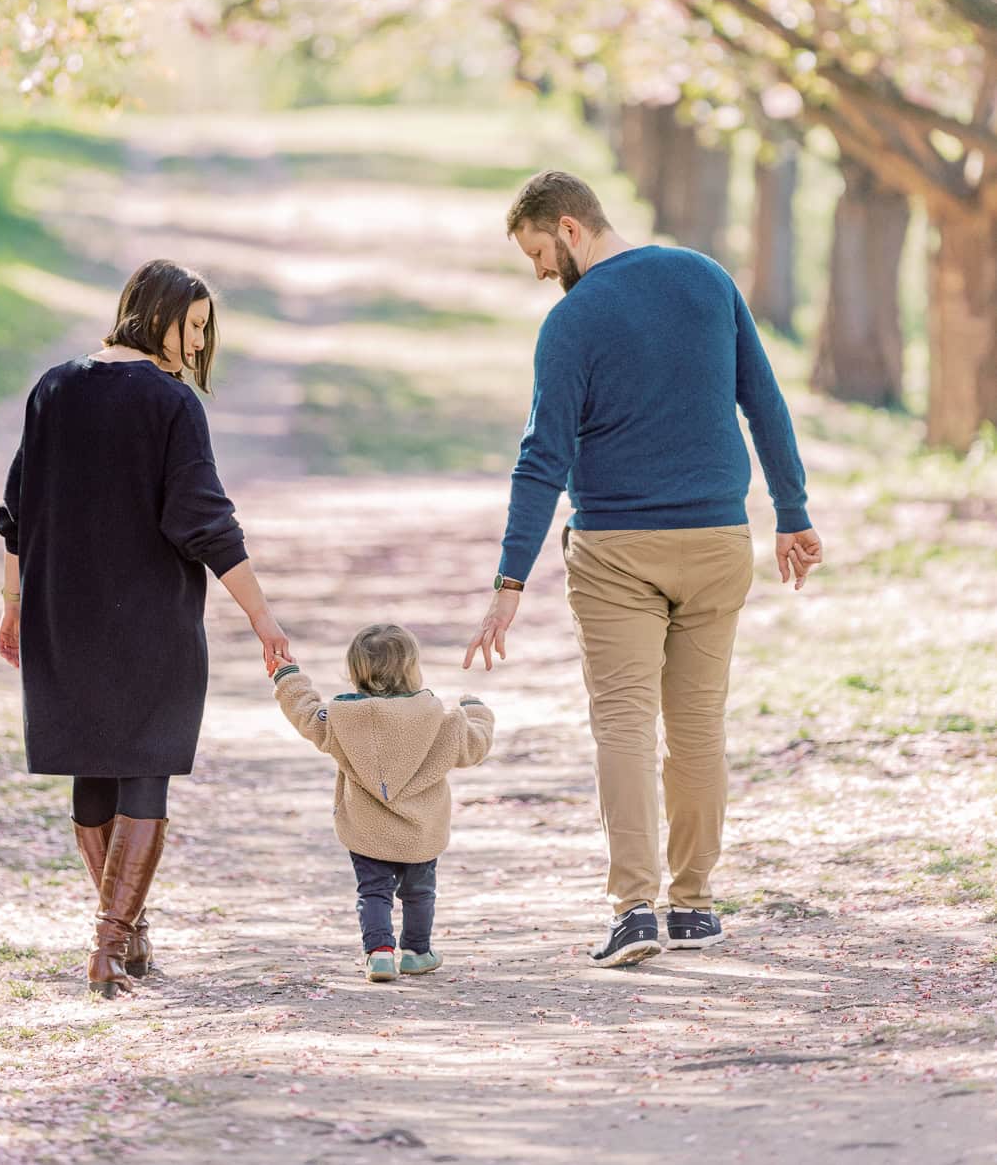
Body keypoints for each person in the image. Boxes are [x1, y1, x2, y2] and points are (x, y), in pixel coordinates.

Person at [464, 170, 823, 969]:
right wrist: (792, 512)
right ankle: (693, 904)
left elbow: (542, 457)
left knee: (624, 725)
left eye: (536, 252)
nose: (538, 272)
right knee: (698, 730)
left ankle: (634, 909)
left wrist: (509, 581)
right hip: (718, 539)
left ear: (568, 226)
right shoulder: (706, 278)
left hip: (617, 550)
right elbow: (765, 402)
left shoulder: (572, 320)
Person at [0, 257, 290, 997]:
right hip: (149, 618)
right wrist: (263, 616)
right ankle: (108, 945)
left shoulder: (53, 387)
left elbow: (16, 509)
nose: (196, 347)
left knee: (93, 768)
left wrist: (12, 602)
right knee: (144, 766)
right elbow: (203, 522)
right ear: (154, 313)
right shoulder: (169, 404)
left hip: (61, 611)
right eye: (191, 328)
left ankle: (124, 935)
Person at [272, 623, 494, 982]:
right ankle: (417, 952)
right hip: (421, 832)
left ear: (356, 671)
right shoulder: (442, 720)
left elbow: (307, 713)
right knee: (420, 892)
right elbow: (475, 745)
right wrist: (477, 710)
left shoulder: (341, 719)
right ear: (412, 668)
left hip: (367, 830)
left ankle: (379, 953)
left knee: (373, 891)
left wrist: (288, 675)